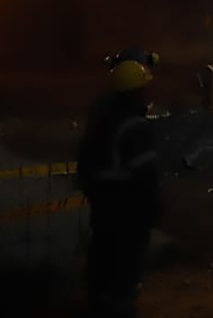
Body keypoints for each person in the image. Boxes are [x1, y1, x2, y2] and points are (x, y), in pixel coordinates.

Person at [77, 59, 162, 317]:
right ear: (135, 92)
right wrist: (152, 210)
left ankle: (99, 306)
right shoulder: (135, 128)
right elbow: (145, 178)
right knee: (125, 274)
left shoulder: (101, 123)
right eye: (143, 89)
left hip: (103, 210)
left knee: (102, 267)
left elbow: (86, 168)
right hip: (128, 214)